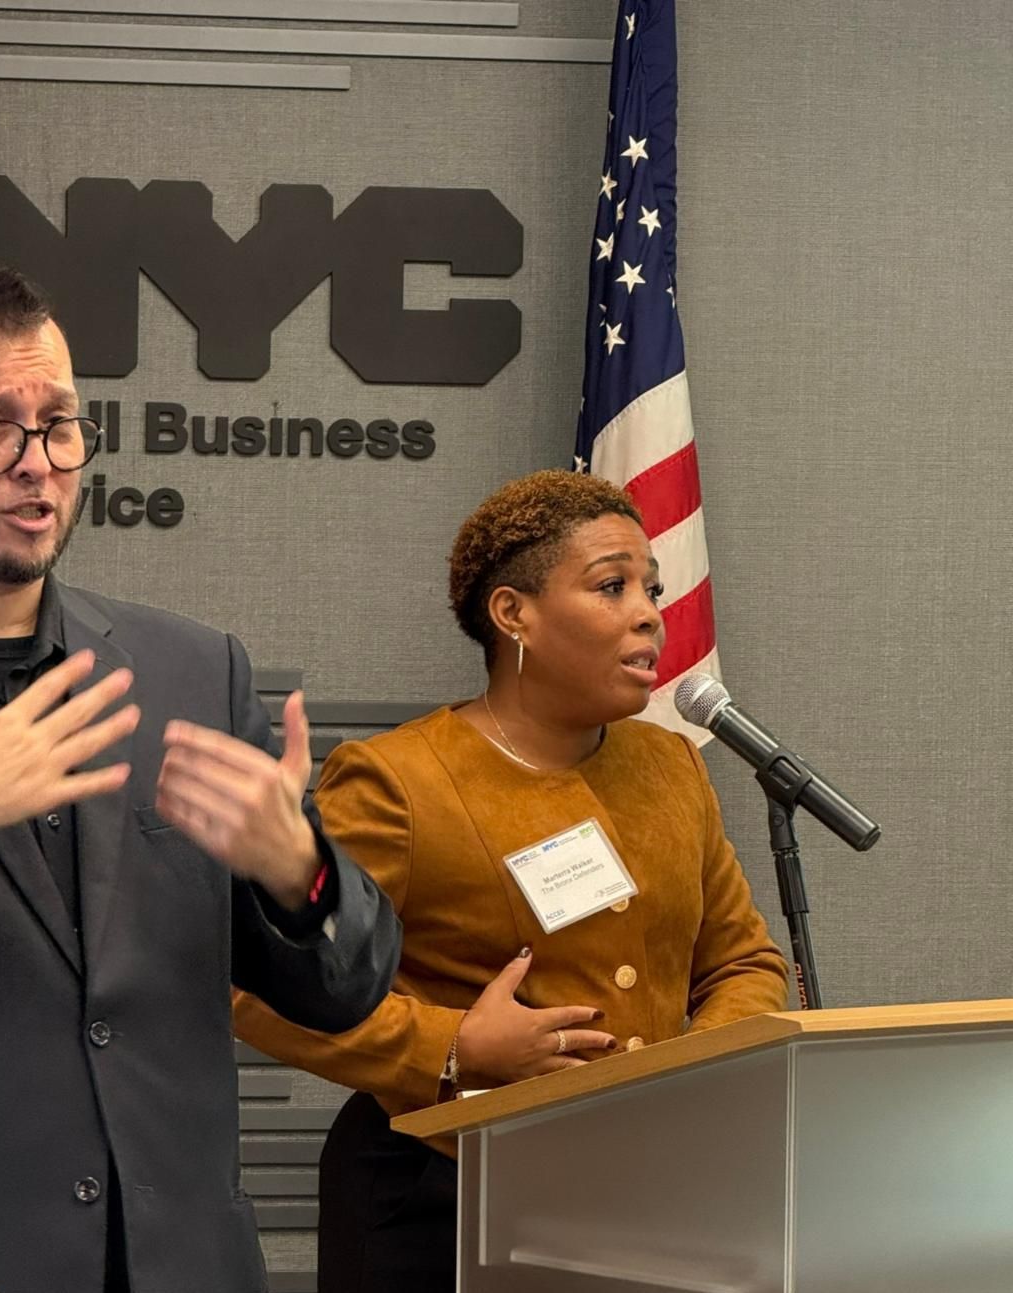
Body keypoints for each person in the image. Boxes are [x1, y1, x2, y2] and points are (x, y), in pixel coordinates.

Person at [0, 258, 400, 1293]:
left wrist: (297, 872)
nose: (35, 463)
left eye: (59, 425)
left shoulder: (192, 672)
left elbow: (345, 992)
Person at [233, 469, 790, 1293]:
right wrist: (455, 1048)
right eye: (612, 586)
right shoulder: (399, 782)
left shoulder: (671, 764)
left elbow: (744, 962)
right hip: (442, 1195)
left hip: (645, 1189)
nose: (648, 613)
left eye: (652, 589)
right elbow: (263, 991)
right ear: (512, 613)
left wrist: (688, 1074)